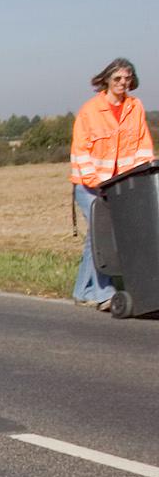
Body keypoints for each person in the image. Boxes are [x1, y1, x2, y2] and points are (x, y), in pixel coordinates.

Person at [69, 57, 154, 309]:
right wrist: (96, 183)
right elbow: (80, 151)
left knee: (96, 238)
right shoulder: (91, 111)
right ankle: (102, 291)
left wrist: (143, 176)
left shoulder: (134, 107)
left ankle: (82, 291)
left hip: (122, 185)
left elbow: (142, 144)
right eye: (117, 78)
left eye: (127, 79)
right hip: (90, 185)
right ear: (106, 80)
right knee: (101, 233)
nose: (123, 83)